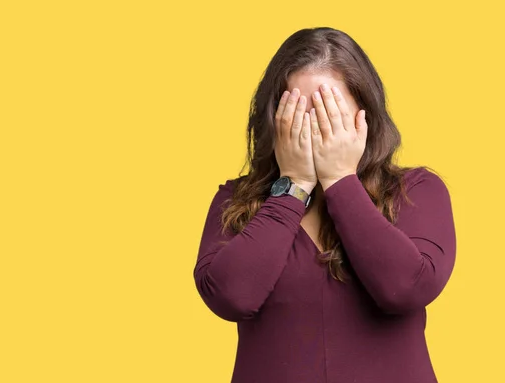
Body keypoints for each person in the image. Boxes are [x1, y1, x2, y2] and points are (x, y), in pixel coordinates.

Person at [193, 27, 456, 383]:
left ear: (364, 116)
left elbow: (406, 288)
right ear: (274, 119)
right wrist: (294, 186)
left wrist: (340, 180)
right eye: (299, 114)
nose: (315, 130)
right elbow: (230, 296)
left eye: (330, 112)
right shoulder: (236, 201)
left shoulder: (417, 192)